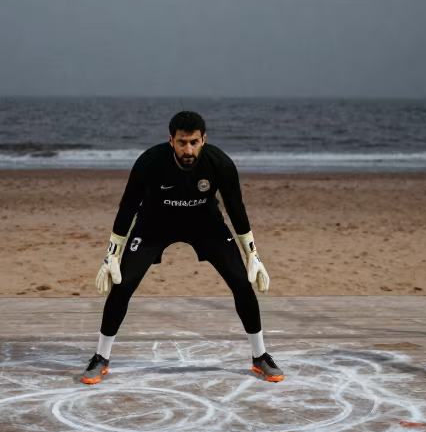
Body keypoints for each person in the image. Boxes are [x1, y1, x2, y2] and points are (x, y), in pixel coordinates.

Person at [81, 110, 284, 384]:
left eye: (194, 142)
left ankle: (260, 357)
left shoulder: (219, 163)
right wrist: (111, 254)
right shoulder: (150, 162)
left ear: (204, 140)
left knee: (240, 281)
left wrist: (252, 254)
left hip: (206, 225)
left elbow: (236, 208)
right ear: (171, 140)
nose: (188, 149)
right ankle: (100, 357)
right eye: (181, 142)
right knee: (124, 283)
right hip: (154, 225)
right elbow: (128, 206)